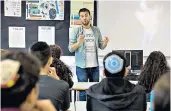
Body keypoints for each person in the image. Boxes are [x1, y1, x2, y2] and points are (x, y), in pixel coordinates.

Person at [68, 8, 109, 101]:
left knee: (95, 91)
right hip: (81, 67)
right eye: (82, 16)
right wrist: (79, 42)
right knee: (83, 92)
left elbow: (101, 46)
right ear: (80, 18)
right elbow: (70, 48)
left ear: (90, 16)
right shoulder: (75, 31)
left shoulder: (96, 30)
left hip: (95, 66)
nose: (84, 18)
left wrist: (105, 43)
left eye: (86, 15)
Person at [29, 41, 70, 111]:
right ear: (51, 60)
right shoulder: (63, 85)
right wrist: (58, 81)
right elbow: (64, 108)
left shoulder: (20, 83)